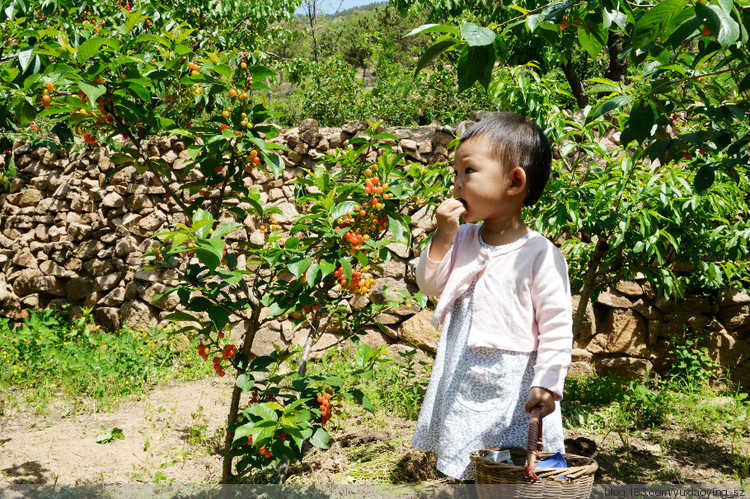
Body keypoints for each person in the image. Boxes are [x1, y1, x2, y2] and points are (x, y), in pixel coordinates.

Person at [412, 112, 573, 481]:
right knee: (468, 461)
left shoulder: (541, 254)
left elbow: (556, 326)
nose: (455, 184)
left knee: (515, 461)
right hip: (462, 367)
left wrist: (547, 383)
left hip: (514, 378)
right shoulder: (463, 238)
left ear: (515, 182)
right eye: (455, 173)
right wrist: (441, 237)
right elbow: (429, 285)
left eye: (468, 171)